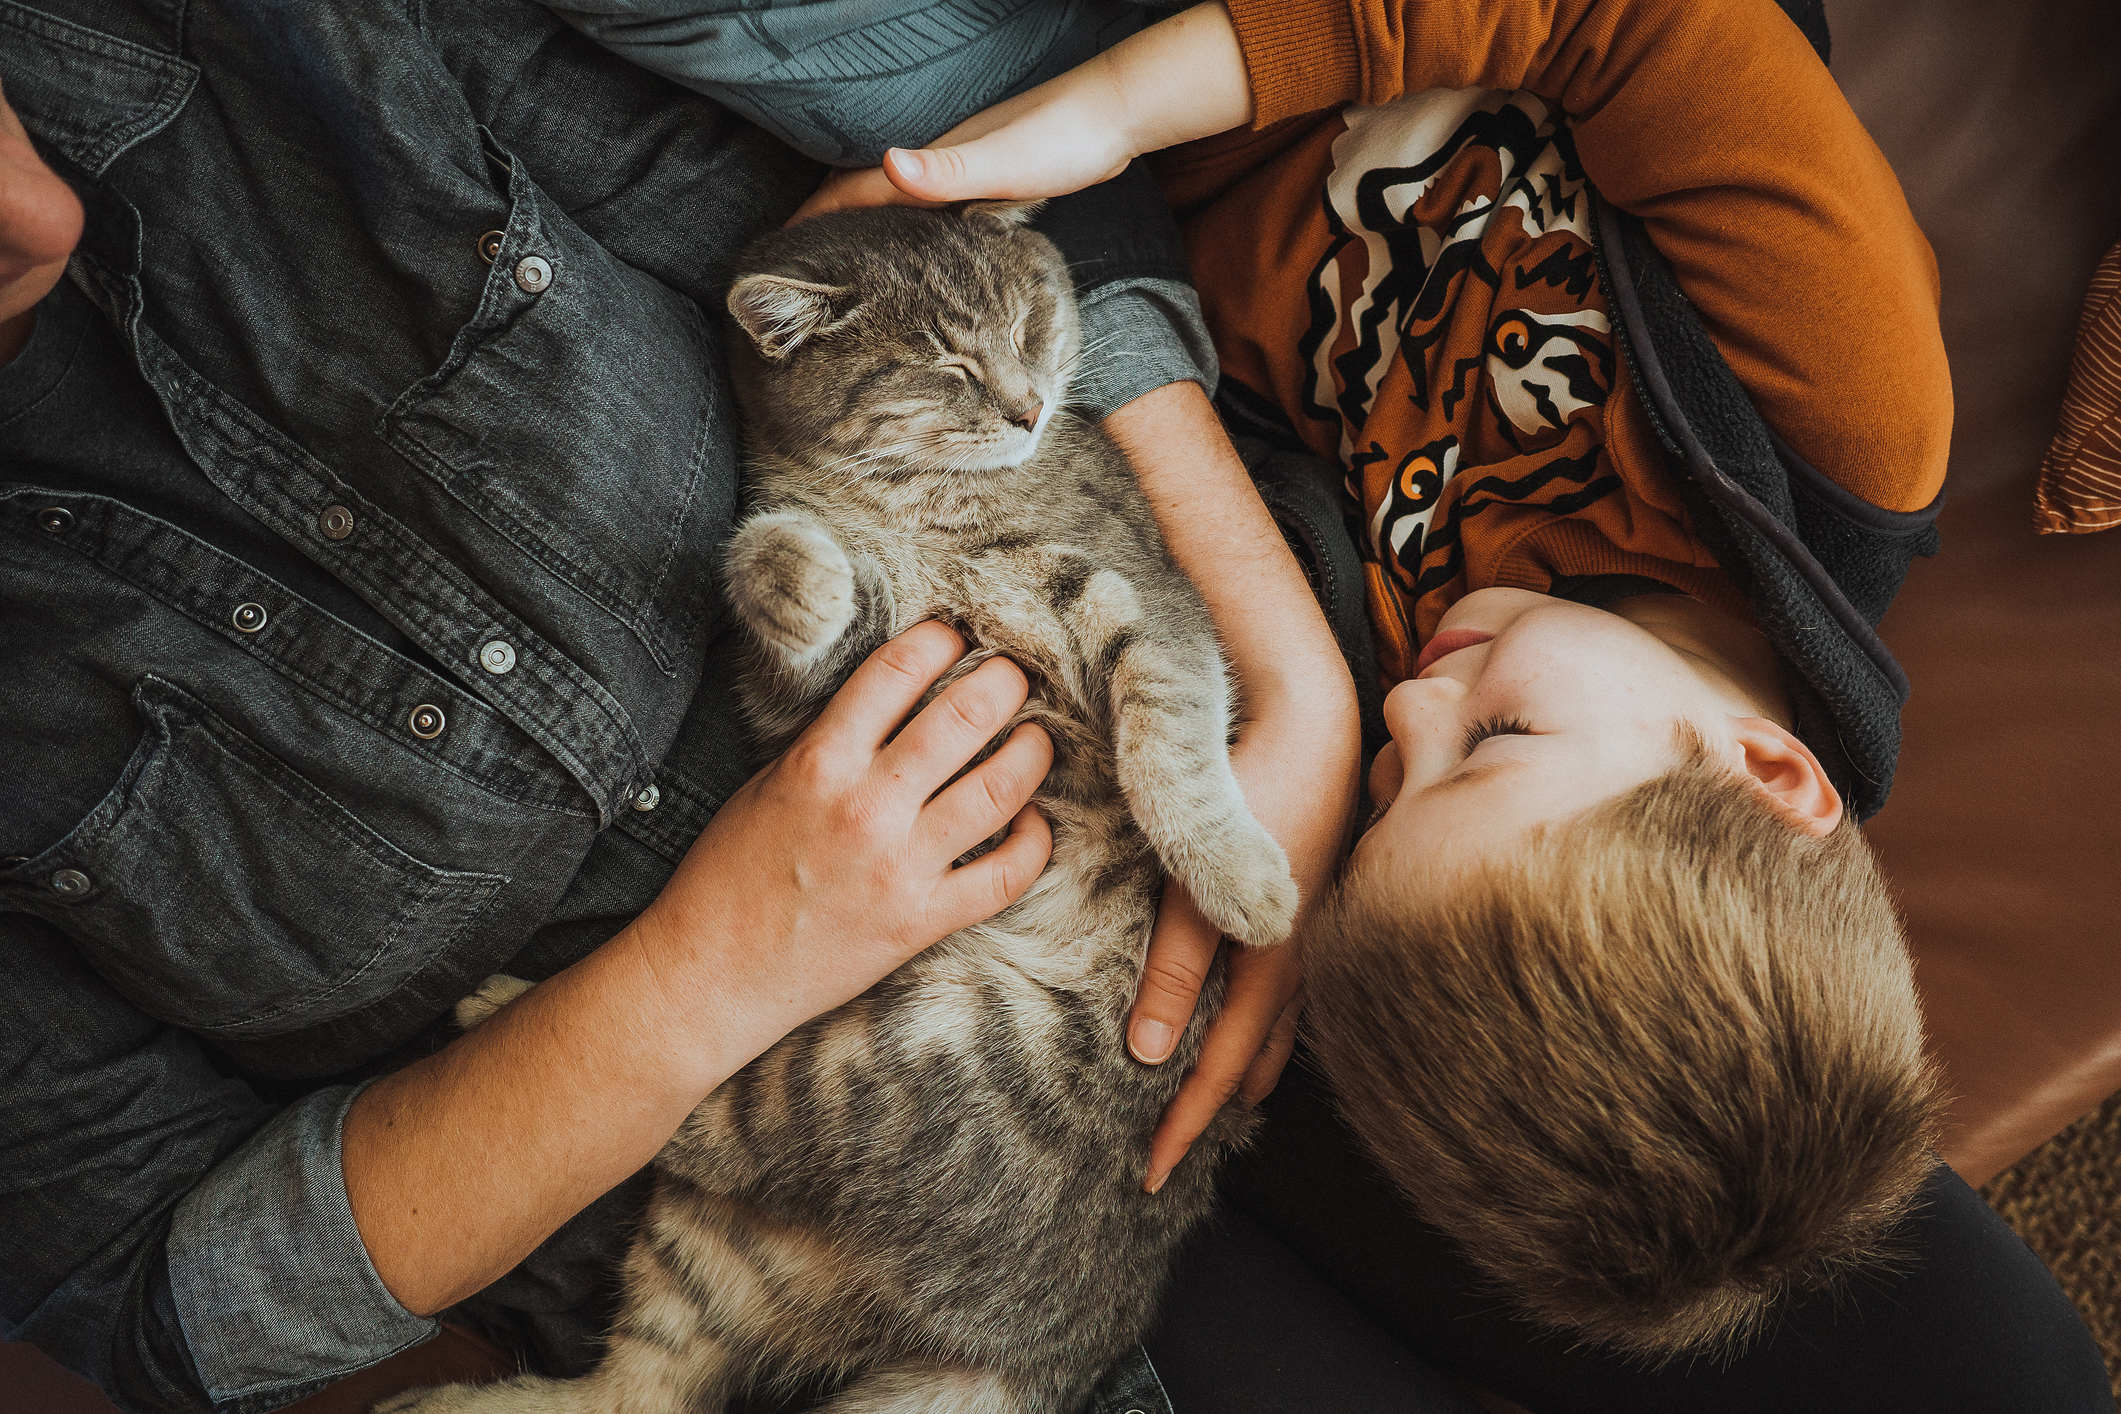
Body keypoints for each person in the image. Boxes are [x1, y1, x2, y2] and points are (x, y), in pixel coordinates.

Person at [0, 7, 1357, 1411]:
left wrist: (1292, 686)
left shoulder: (256, 45)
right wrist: (694, 987)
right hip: (756, 1238)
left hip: (1201, 907)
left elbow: (979, 137)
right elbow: (165, 1304)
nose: (32, 206)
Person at [804, 0, 2118, 1407]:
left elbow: (1124, 386)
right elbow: (1628, 22)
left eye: (1384, 799)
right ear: (1769, 773)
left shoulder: (1417, 671)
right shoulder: (1841, 406)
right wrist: (1118, 106)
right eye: (1493, 744)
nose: (1411, 716)